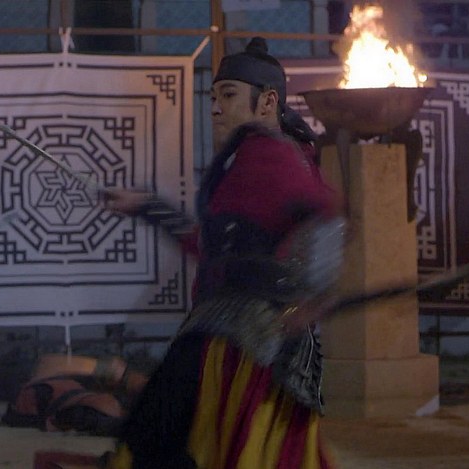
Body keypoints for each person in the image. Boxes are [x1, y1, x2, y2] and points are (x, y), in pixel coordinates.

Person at [103, 37, 343, 468]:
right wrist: (146, 206)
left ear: (267, 102)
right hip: (222, 337)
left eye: (228, 95)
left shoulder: (273, 154)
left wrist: (313, 297)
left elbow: (327, 214)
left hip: (252, 346)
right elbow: (212, 245)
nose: (215, 108)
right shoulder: (248, 158)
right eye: (212, 97)